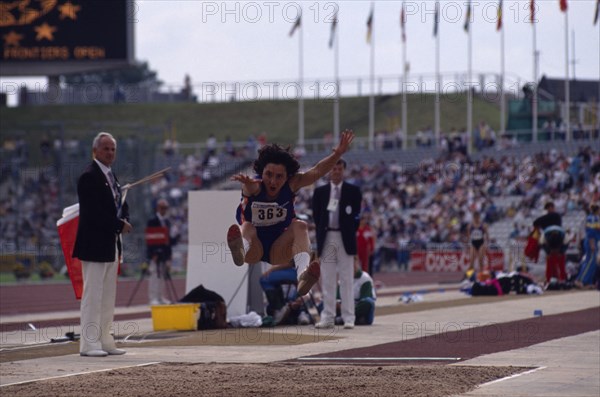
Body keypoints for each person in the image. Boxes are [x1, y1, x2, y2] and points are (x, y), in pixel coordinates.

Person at [227, 130, 355, 298]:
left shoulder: (292, 184)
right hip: (254, 249)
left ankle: (303, 275)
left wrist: (337, 154)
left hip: (279, 250)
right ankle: (239, 250)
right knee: (248, 226)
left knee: (300, 225)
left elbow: (316, 171)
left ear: (287, 177)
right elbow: (250, 188)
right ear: (261, 172)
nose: (273, 181)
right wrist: (247, 184)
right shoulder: (255, 185)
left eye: (279, 177)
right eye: (269, 175)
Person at [73, 132, 132, 357]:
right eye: (106, 148)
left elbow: (119, 205)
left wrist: (125, 219)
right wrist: (119, 225)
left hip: (110, 244)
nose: (110, 153)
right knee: (93, 295)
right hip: (94, 244)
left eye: (113, 149)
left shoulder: (111, 176)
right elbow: (94, 214)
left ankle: (105, 340)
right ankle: (88, 344)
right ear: (95, 150)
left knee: (107, 297)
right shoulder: (89, 176)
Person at [312, 158, 363, 329]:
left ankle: (349, 317)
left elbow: (356, 216)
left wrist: (348, 229)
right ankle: (328, 316)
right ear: (329, 171)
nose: (336, 171)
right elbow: (317, 216)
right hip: (327, 236)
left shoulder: (353, 191)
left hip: (345, 236)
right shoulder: (320, 192)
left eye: (339, 168)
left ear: (344, 170)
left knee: (346, 277)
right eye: (333, 168)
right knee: (327, 278)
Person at [146, 198, 179, 305]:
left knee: (163, 275)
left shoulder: (168, 222)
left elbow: (169, 241)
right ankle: (153, 298)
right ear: (157, 208)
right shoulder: (152, 221)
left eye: (166, 208)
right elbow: (150, 238)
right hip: (155, 253)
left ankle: (160, 297)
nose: (164, 210)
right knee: (155, 275)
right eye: (162, 207)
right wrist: (153, 253)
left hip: (165, 253)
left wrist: (176, 235)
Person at [533, 202, 566, 283]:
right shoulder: (557, 216)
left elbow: (535, 223)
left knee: (550, 257)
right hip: (558, 236)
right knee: (560, 257)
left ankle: (550, 278)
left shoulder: (544, 217)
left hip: (548, 236)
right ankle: (561, 278)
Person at [575, 203, 599, 287]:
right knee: (589, 261)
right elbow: (590, 232)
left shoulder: (595, 218)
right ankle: (580, 280)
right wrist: (592, 243)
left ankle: (587, 281)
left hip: (594, 241)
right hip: (591, 241)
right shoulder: (592, 218)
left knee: (592, 262)